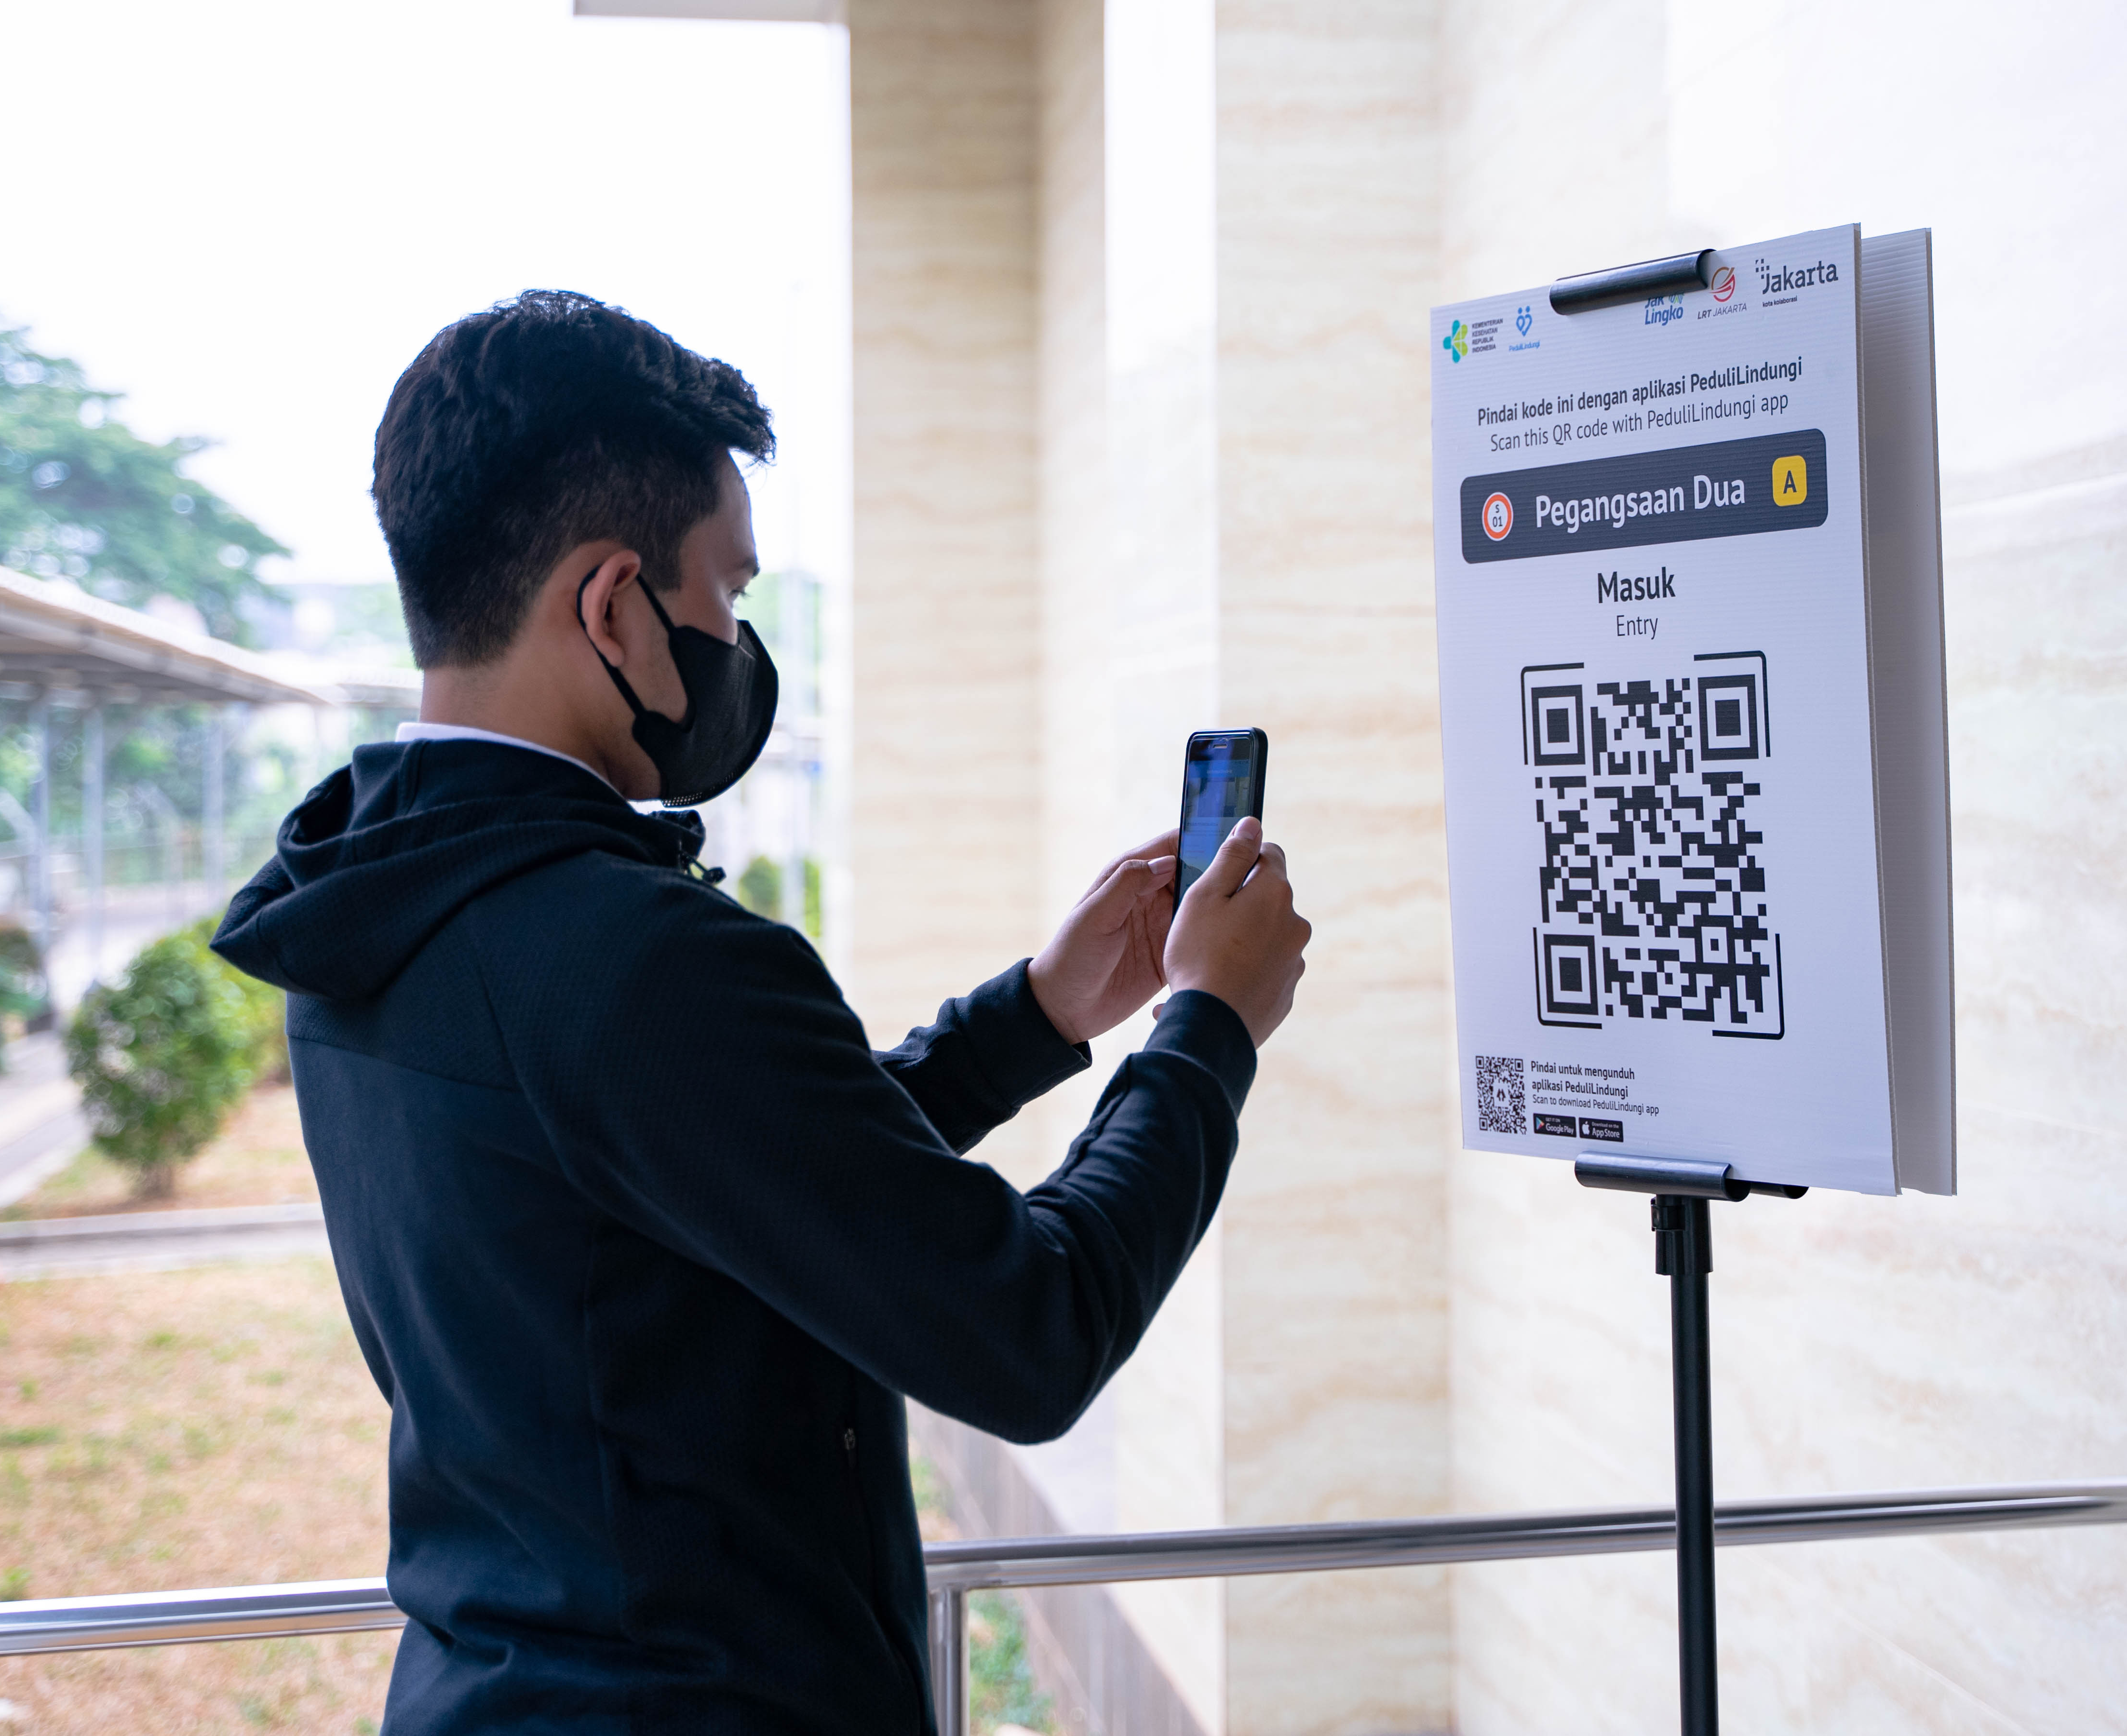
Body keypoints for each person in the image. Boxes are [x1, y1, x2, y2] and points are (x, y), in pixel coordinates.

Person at [211, 290, 1311, 1735]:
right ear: (613, 606)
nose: (737, 639)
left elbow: (728, 1176)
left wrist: (1039, 1015)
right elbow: (1029, 1331)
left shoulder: (368, 905)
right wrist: (1207, 1029)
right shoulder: (637, 956)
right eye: (726, 594)